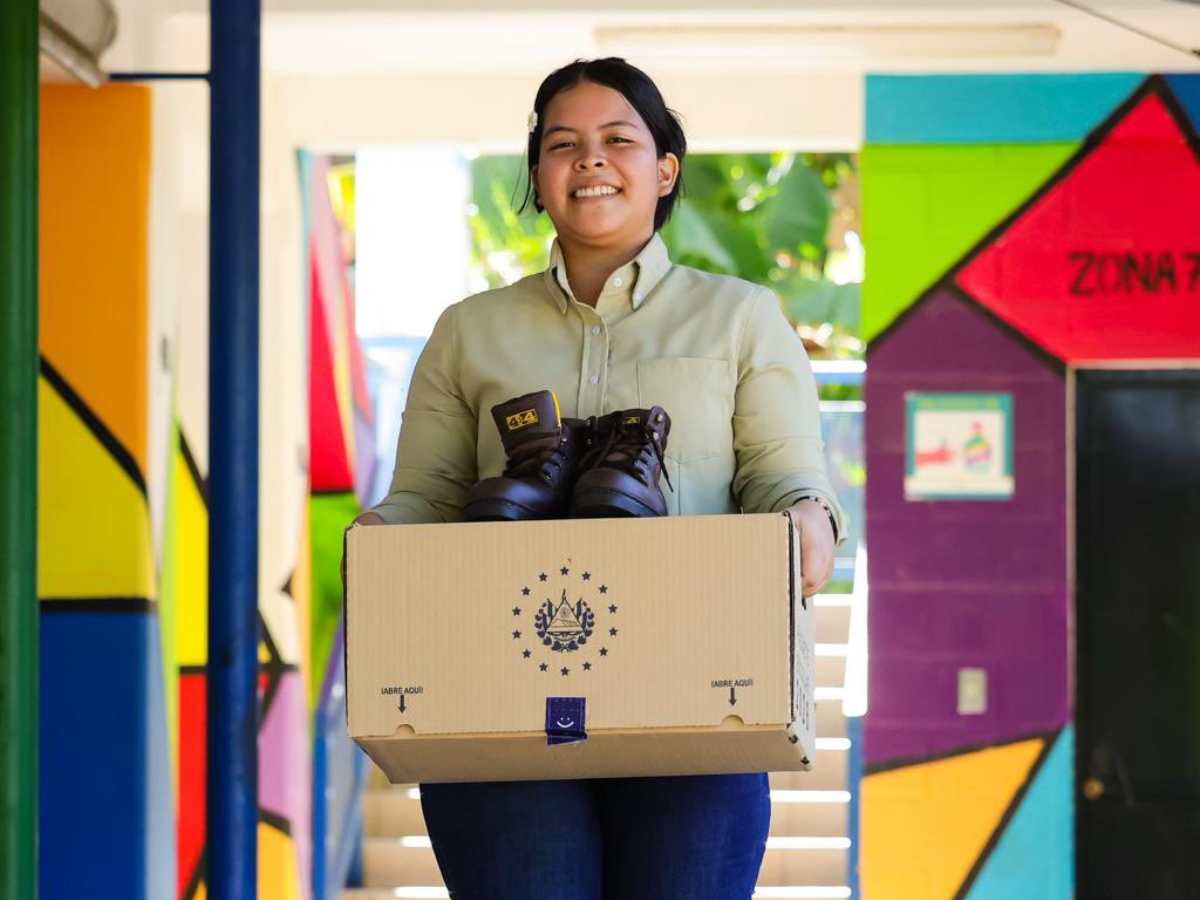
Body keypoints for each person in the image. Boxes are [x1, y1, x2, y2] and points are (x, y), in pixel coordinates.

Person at [347, 57, 846, 900]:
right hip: (494, 705)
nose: (590, 160)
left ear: (665, 170)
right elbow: (426, 498)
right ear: (537, 176)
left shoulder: (741, 318)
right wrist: (378, 540)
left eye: (619, 140)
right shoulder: (467, 332)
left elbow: (782, 477)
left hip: (697, 701)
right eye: (563, 144)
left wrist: (808, 521)